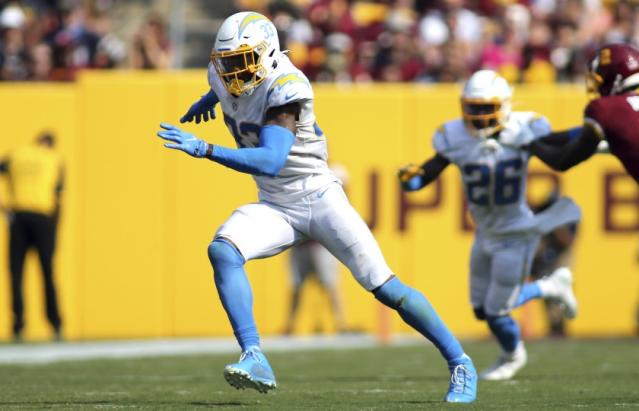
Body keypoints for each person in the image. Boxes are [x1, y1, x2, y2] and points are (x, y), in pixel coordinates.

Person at [155, 11, 477, 402]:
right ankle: (254, 354)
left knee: (387, 289)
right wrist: (209, 98)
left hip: (317, 196)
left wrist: (206, 148)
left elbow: (272, 159)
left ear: (269, 55)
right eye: (227, 63)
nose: (233, 73)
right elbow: (227, 89)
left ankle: (460, 362)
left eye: (243, 62)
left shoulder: (286, 86)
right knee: (223, 250)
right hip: (275, 203)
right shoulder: (222, 76)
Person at [398, 70, 579, 381]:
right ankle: (551, 286)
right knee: (482, 310)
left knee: (497, 312)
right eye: (474, 107)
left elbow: (555, 149)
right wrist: (414, 179)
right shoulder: (455, 136)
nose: (480, 115)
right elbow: (432, 168)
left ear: (505, 105)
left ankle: (512, 355)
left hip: (516, 232)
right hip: (485, 232)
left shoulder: (523, 129)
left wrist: (582, 135)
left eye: (487, 107)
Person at [498, 43, 639, 182]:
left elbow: (562, 160)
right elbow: (576, 135)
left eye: (599, 81)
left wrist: (528, 142)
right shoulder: (619, 114)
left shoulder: (606, 109)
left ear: (614, 79)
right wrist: (539, 136)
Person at [0, 132, 64, 342]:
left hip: (17, 217)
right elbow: (58, 197)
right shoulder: (54, 159)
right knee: (47, 272)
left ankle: (18, 325)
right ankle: (55, 324)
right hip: (42, 219)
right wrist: (55, 230)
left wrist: (3, 208)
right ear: (50, 144)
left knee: (16, 273)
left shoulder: (16, 155)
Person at [283, 164, 349, 336]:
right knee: (297, 285)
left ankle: (341, 323)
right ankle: (290, 325)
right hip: (300, 242)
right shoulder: (294, 174)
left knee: (330, 284)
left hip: (321, 243)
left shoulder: (330, 175)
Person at [530, 192, 580, 338]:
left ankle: (560, 325)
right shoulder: (542, 215)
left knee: (561, 284)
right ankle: (554, 326)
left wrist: (556, 226)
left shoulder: (570, 217)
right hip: (549, 251)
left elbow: (567, 240)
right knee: (547, 288)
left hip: (562, 253)